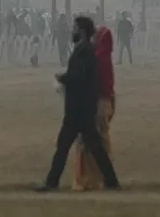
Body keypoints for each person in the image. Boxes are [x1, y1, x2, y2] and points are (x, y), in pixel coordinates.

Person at [38, 16, 120, 192]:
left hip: (78, 110)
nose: (72, 31)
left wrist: (63, 78)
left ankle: (52, 183)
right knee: (94, 148)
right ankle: (111, 181)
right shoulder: (86, 50)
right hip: (83, 109)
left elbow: (79, 77)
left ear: (81, 31)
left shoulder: (85, 52)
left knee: (63, 147)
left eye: (74, 28)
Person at [74, 26, 117, 190]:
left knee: (90, 143)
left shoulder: (97, 58)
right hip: (107, 102)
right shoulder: (105, 58)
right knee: (101, 139)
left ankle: (90, 179)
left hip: (97, 103)